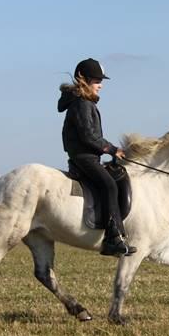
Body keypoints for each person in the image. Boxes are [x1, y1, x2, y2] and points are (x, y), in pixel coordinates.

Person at [57, 58, 136, 256]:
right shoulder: (82, 103)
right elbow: (89, 136)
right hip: (84, 157)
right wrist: (111, 149)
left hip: (88, 156)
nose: (100, 85)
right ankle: (112, 238)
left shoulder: (83, 102)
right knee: (108, 184)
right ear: (84, 81)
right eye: (97, 81)